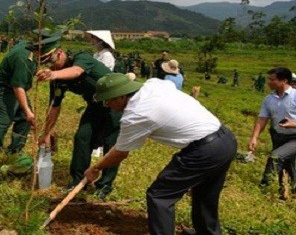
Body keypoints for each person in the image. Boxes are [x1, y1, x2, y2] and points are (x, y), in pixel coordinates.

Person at [85, 73, 237, 234]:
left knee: (160, 196)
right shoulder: (153, 84)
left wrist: (95, 168)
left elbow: (120, 153)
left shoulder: (135, 115)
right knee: (205, 195)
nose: (107, 104)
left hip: (205, 150)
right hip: (226, 140)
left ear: (122, 96)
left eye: (108, 99)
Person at [36, 46, 121, 199]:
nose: (50, 65)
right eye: (46, 63)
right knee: (82, 137)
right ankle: (78, 180)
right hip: (95, 106)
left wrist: (53, 74)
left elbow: (77, 71)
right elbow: (54, 106)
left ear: (60, 52)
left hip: (117, 103)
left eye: (51, 60)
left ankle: (105, 186)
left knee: (111, 143)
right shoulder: (56, 78)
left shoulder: (81, 58)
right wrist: (46, 133)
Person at [0, 35, 60, 167]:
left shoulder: (29, 48)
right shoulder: (24, 59)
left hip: (13, 87)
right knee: (4, 122)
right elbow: (18, 87)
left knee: (23, 119)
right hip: (3, 89)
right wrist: (28, 111)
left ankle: (15, 151)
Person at [248, 67, 296, 199]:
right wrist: (254, 138)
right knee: (288, 163)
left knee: (276, 156)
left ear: (284, 80)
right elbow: (262, 119)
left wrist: (293, 124)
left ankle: (263, 188)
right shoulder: (269, 99)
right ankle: (289, 190)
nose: (269, 82)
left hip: (295, 137)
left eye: (272, 79)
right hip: (278, 136)